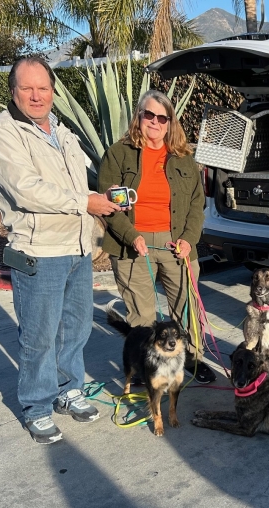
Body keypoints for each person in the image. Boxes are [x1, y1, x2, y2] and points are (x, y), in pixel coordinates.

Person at [0, 57, 121, 444]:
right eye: (27, 88)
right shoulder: (4, 134)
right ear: (13, 92)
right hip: (39, 251)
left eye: (43, 88)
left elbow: (78, 185)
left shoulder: (62, 131)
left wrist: (100, 199)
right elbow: (27, 189)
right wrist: (85, 203)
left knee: (75, 328)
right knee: (39, 336)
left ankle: (68, 389)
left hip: (77, 248)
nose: (36, 95)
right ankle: (37, 406)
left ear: (53, 91)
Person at [97, 90, 216, 384]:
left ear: (170, 122)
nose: (155, 122)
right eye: (148, 114)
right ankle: (146, 366)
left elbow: (196, 206)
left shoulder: (184, 158)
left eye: (162, 117)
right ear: (139, 116)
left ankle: (190, 359)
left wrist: (189, 238)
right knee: (142, 313)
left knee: (185, 308)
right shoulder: (118, 153)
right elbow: (108, 205)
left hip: (176, 242)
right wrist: (131, 235)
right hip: (132, 244)